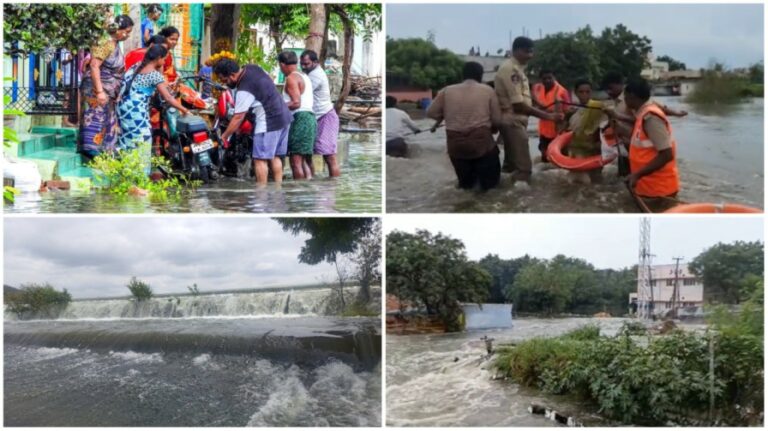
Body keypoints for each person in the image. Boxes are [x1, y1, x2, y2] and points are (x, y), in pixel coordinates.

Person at [495, 37, 563, 182]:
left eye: (532, 52)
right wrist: (549, 116)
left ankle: (501, 193)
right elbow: (518, 104)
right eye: (527, 52)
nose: (530, 56)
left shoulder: (518, 69)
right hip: (513, 121)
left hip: (516, 121)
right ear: (516, 50)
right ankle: (517, 195)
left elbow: (524, 98)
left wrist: (539, 106)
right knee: (524, 169)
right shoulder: (511, 69)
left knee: (511, 166)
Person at [605, 78, 680, 212]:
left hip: (659, 190)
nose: (624, 100)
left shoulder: (651, 118)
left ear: (632, 96)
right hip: (647, 187)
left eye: (625, 96)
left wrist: (637, 175)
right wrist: (619, 129)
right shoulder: (642, 115)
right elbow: (643, 142)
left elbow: (667, 154)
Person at [215, 58, 293, 184]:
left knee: (260, 160)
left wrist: (224, 136)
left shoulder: (244, 88)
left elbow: (238, 117)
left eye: (224, 80)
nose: (225, 84)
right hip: (284, 117)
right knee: (275, 156)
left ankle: (261, 192)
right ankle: (278, 189)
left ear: (232, 75)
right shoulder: (253, 68)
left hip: (268, 122)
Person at [427, 61, 502, 191]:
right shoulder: (487, 90)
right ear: (480, 75)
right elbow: (497, 120)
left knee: (466, 187)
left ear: (463, 75)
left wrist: (446, 116)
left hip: (455, 145)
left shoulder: (446, 90)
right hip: (481, 143)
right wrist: (494, 128)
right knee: (491, 188)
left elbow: (431, 112)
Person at [117, 45, 190, 175]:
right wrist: (185, 110)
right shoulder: (154, 75)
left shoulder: (135, 67)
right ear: (158, 58)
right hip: (136, 111)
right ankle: (141, 176)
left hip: (123, 109)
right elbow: (168, 98)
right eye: (164, 59)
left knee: (128, 141)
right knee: (143, 141)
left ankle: (127, 174)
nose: (164, 62)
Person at [602, 71, 688, 176]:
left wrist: (676, 113)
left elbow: (646, 115)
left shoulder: (632, 99)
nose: (608, 92)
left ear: (620, 84)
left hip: (635, 143)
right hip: (625, 144)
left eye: (610, 88)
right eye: (606, 89)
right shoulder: (617, 100)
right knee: (626, 173)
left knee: (637, 172)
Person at [79, 15, 133, 160]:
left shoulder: (114, 44)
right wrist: (100, 91)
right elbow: (94, 66)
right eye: (126, 31)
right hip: (96, 89)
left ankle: (103, 153)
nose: (127, 35)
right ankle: (92, 153)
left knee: (106, 121)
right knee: (95, 120)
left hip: (108, 90)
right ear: (118, 29)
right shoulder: (106, 43)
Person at [300, 50, 341, 177]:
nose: (303, 67)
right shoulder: (309, 74)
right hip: (314, 117)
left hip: (325, 117)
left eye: (306, 64)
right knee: (307, 154)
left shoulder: (315, 75)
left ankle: (333, 184)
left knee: (329, 156)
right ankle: (310, 183)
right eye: (302, 64)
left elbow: (300, 92)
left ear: (316, 62)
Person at [279, 51, 316, 180]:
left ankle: (298, 190)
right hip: (310, 117)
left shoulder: (291, 78)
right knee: (305, 160)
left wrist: (277, 106)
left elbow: (296, 103)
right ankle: (307, 187)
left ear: (282, 64)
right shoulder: (304, 76)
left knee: (296, 162)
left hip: (300, 119)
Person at [565, 79, 604, 184]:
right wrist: (566, 117)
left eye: (587, 92)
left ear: (592, 92)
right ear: (576, 93)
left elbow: (604, 129)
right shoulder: (572, 111)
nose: (584, 95)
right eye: (581, 92)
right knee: (578, 181)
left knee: (595, 180)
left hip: (593, 150)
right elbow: (563, 132)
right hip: (577, 151)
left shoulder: (598, 108)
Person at [532, 69, 571, 162]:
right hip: (543, 130)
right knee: (544, 157)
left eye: (550, 78)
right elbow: (533, 94)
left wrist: (549, 111)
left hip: (557, 132)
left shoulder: (562, 91)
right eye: (544, 78)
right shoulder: (538, 88)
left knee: (559, 159)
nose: (547, 80)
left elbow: (568, 112)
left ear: (554, 78)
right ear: (541, 79)